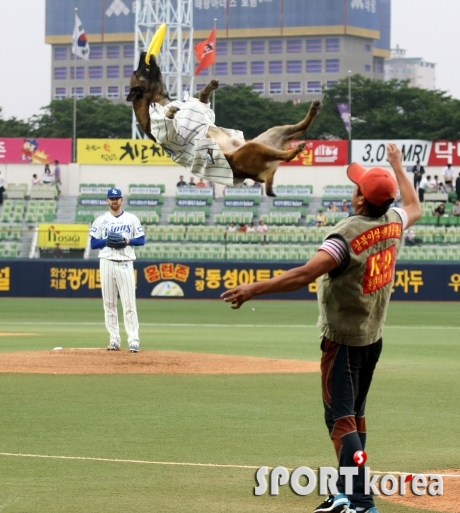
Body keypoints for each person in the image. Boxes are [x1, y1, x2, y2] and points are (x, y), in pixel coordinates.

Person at [221, 143, 422, 513]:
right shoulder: (392, 221)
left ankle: (362, 502)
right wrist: (397, 164)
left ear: (361, 200)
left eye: (357, 186)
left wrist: (253, 288)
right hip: (372, 338)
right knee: (355, 419)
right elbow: (415, 208)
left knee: (341, 423)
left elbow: (304, 273)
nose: (354, 188)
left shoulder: (346, 235)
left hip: (343, 341)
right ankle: (347, 492)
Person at [90, 188, 145, 353]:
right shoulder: (100, 220)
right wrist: (107, 241)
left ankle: (133, 340)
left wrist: (127, 240)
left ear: (122, 200)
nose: (114, 201)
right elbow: (93, 244)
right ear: (107, 201)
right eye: (111, 198)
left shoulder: (132, 219)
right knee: (109, 304)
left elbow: (141, 240)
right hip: (106, 261)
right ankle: (114, 339)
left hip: (126, 262)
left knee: (129, 304)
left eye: (117, 198)